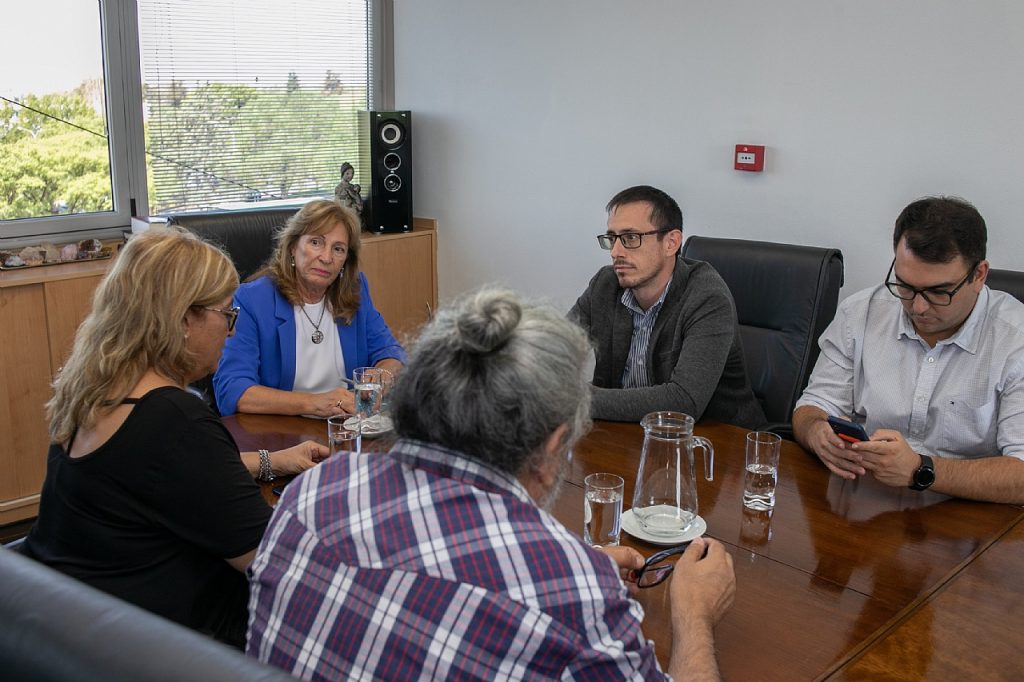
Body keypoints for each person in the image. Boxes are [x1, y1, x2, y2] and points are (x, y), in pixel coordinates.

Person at [247, 287, 736, 680]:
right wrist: (692, 614)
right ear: (553, 444)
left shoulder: (312, 491)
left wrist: (573, 575)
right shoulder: (569, 594)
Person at [21, 227, 328, 648]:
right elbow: (275, 561)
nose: (232, 331)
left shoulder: (96, 391)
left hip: (76, 626)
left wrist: (274, 460)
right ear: (184, 319)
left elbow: (156, 474)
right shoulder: (174, 421)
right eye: (226, 314)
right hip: (173, 645)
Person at [793, 196, 1024, 504]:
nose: (918, 306)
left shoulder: (1015, 339)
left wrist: (921, 469)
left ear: (979, 275)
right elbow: (813, 405)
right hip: (867, 501)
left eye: (939, 292)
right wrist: (816, 433)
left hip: (970, 520)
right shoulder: (861, 312)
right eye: (905, 285)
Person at [570, 185, 765, 428]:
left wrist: (574, 399)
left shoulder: (707, 297)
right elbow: (555, 349)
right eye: (612, 238)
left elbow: (683, 402)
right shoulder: (605, 284)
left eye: (631, 238)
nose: (616, 252)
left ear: (671, 242)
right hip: (628, 434)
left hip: (716, 444)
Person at [214, 199, 404, 416]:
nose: (326, 258)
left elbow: (391, 352)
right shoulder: (252, 300)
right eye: (316, 242)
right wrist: (312, 403)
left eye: (338, 249)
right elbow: (232, 390)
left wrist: (382, 376)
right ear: (293, 247)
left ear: (345, 261)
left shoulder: (355, 290)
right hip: (280, 436)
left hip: (346, 428)